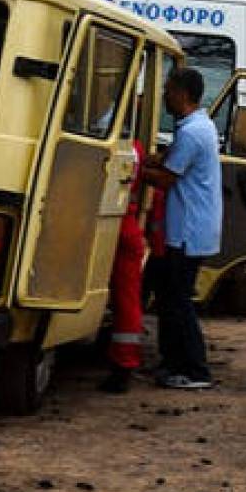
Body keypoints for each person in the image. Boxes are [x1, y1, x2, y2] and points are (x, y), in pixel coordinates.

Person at [142, 67, 221, 389]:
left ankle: (194, 369)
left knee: (178, 301)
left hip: (187, 232)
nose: (164, 96)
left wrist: (131, 167)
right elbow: (169, 160)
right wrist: (151, 159)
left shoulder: (191, 133)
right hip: (190, 229)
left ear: (183, 93)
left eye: (169, 90)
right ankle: (172, 362)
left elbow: (166, 178)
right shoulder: (198, 126)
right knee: (168, 295)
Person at [99, 138, 147, 394]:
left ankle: (123, 364)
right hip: (125, 222)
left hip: (114, 221)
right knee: (127, 300)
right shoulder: (135, 147)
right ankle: (123, 363)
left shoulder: (113, 144)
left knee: (125, 301)